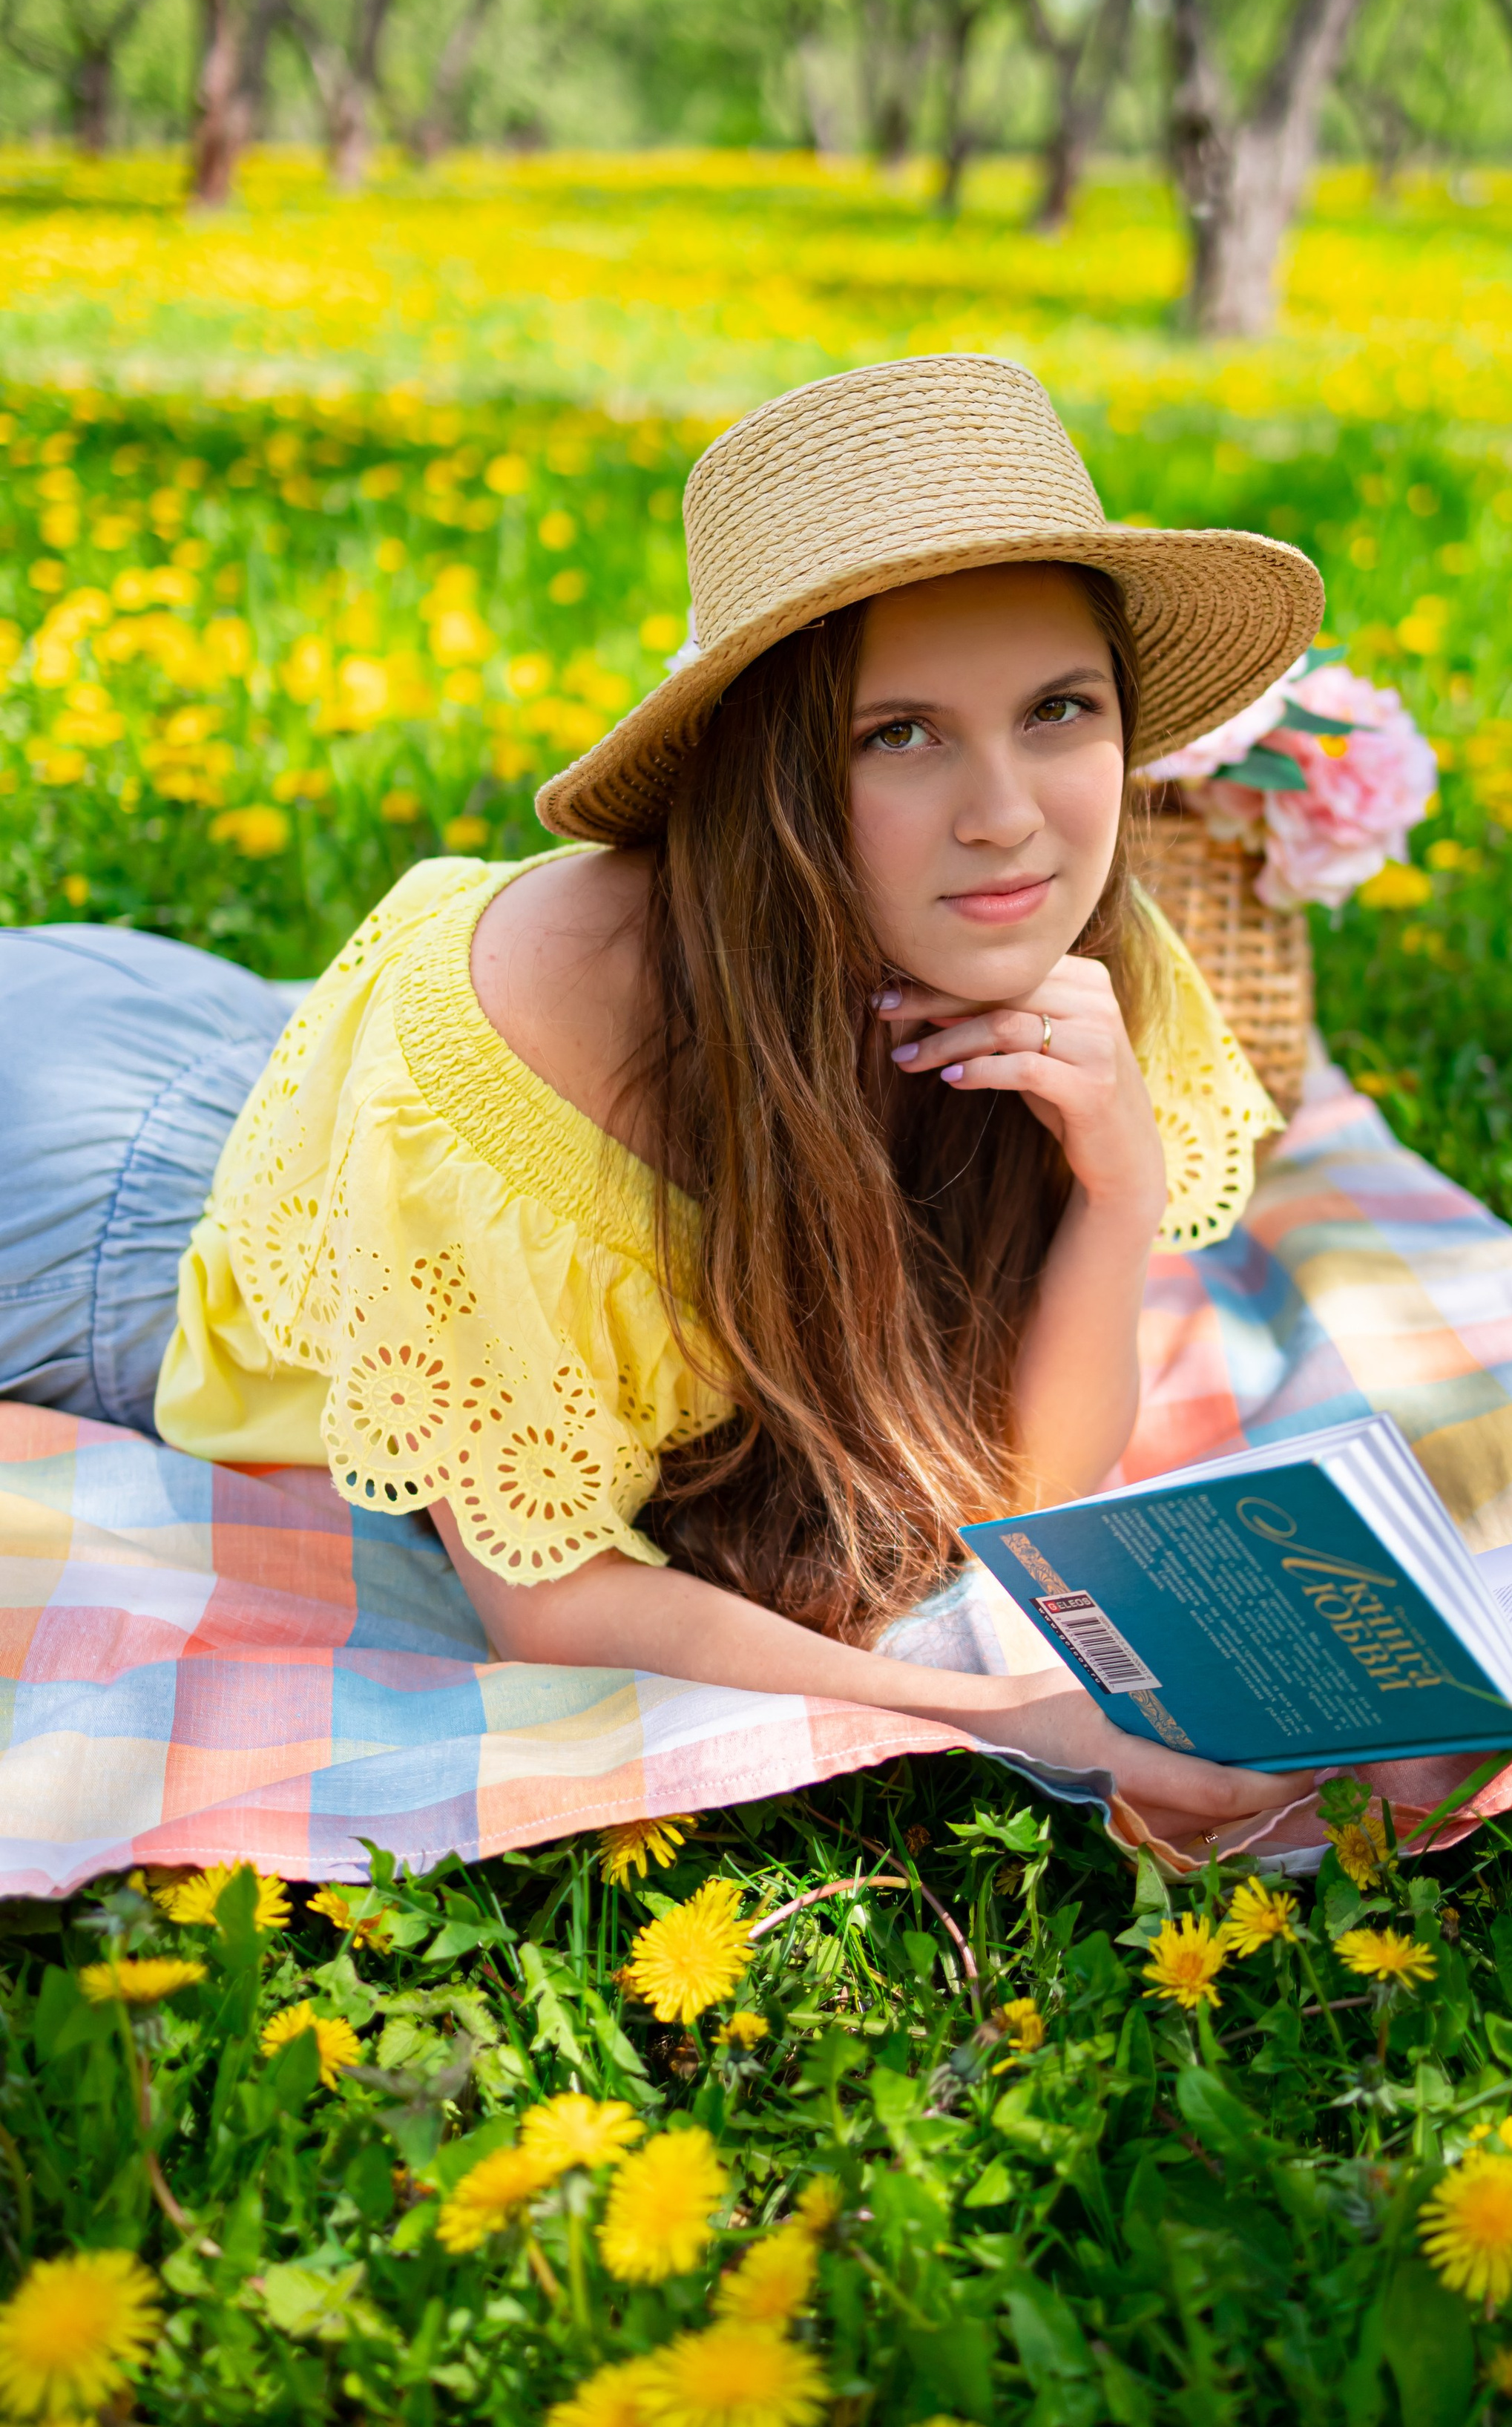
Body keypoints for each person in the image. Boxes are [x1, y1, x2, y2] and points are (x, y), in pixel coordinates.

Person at [1, 355, 1325, 1845]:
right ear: (770, 774)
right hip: (89, 1186)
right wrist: (1003, 1720)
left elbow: (1007, 1497)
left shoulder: (1057, 934)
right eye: (898, 733)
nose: (1005, 812)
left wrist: (1114, 1187)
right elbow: (549, 1602)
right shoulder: (526, 1023)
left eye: (1056, 709)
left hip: (251, 1052)